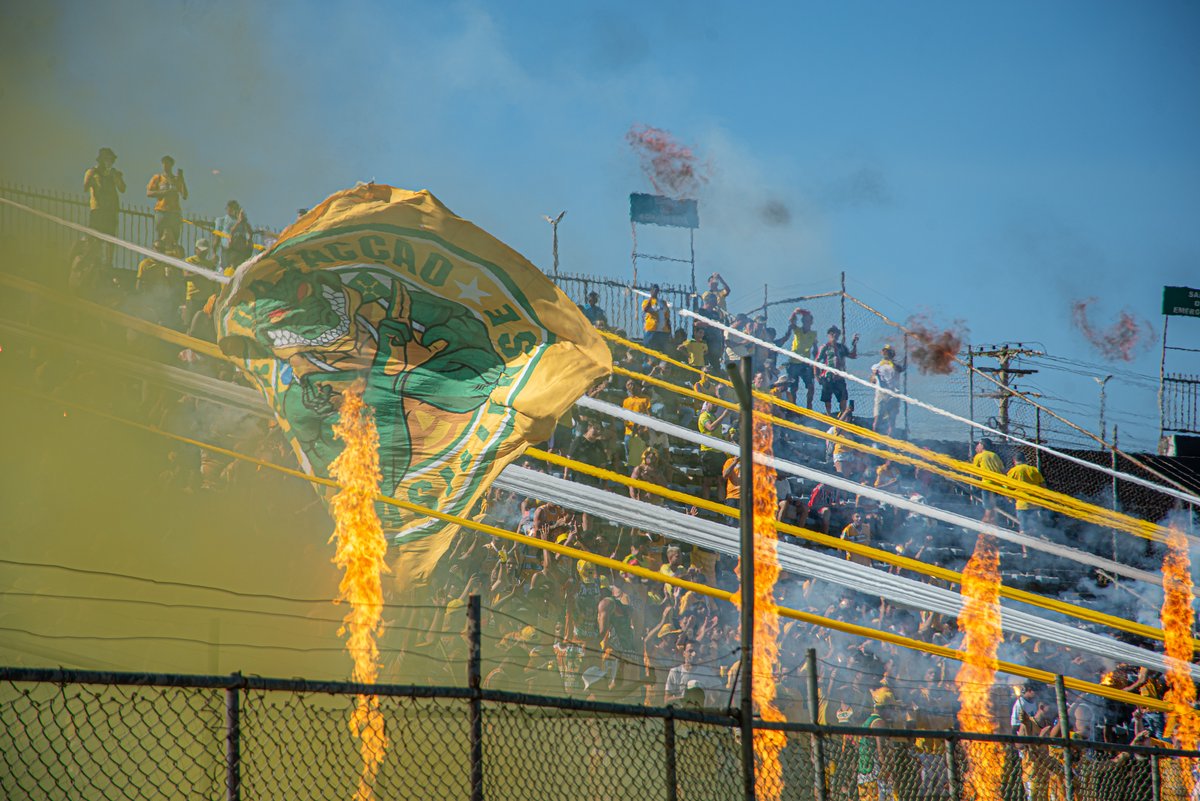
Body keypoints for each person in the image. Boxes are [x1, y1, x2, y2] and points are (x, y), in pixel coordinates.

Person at [82, 147, 125, 268]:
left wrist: (117, 177)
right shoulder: (92, 172)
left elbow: (122, 189)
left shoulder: (114, 173)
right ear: (101, 160)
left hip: (111, 210)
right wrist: (91, 178)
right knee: (95, 236)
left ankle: (108, 263)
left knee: (110, 238)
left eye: (111, 160)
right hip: (98, 209)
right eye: (107, 159)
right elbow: (85, 187)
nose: (109, 162)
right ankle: (93, 259)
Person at [814, 325, 859, 415]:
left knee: (843, 397)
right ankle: (829, 415)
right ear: (829, 335)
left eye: (836, 333)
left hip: (839, 377)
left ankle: (842, 414)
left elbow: (852, 355)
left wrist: (854, 344)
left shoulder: (841, 347)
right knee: (827, 397)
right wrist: (816, 375)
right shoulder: (825, 347)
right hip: (827, 376)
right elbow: (817, 361)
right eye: (832, 333)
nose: (834, 335)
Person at [779, 308, 818, 408]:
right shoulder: (798, 330)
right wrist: (795, 312)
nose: (806, 322)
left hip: (805, 363)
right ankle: (794, 407)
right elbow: (791, 322)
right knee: (793, 387)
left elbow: (815, 349)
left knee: (810, 386)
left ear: (811, 322)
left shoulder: (813, 334)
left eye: (808, 321)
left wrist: (816, 363)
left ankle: (809, 406)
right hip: (794, 362)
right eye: (804, 320)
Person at [145, 155, 188, 247]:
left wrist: (182, 179)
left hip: (174, 212)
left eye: (168, 163)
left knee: (174, 239)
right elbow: (149, 193)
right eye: (164, 163)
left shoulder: (176, 180)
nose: (166, 165)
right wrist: (164, 193)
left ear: (171, 165)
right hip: (162, 210)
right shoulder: (158, 178)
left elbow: (184, 195)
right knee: (160, 237)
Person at [1006, 451, 1046, 534]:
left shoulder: (1013, 471)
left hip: (1022, 505)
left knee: (1024, 531)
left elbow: (1007, 487)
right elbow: (1043, 486)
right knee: (1034, 529)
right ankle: (1035, 545)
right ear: (1025, 460)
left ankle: (1025, 547)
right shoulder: (1034, 470)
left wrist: (1009, 499)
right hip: (1035, 504)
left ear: (1014, 460)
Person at [870, 344, 905, 437]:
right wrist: (874, 375)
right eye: (885, 351)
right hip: (880, 394)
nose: (886, 353)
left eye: (888, 351)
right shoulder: (876, 366)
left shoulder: (896, 365)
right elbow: (872, 381)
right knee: (877, 419)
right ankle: (874, 441)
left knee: (891, 421)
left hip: (893, 395)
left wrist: (891, 362)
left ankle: (889, 442)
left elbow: (900, 369)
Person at [214, 200, 253, 271]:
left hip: (239, 251)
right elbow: (217, 238)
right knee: (226, 270)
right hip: (227, 250)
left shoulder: (242, 222)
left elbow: (249, 233)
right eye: (231, 208)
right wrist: (214, 253)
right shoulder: (221, 220)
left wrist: (244, 220)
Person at [973, 438, 1005, 509]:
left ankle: (987, 519)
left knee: (988, 508)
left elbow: (974, 472)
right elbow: (1002, 470)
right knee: (994, 507)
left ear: (982, 445)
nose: (977, 446)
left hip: (987, 484)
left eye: (978, 444)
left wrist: (976, 484)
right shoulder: (994, 455)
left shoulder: (979, 456)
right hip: (998, 485)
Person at [641, 284, 671, 353]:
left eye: (656, 290)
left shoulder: (663, 303)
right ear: (651, 291)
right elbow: (646, 309)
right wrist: (651, 297)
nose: (655, 291)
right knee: (649, 350)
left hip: (663, 331)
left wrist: (669, 331)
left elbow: (667, 317)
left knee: (661, 351)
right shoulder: (647, 301)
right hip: (652, 330)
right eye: (653, 290)